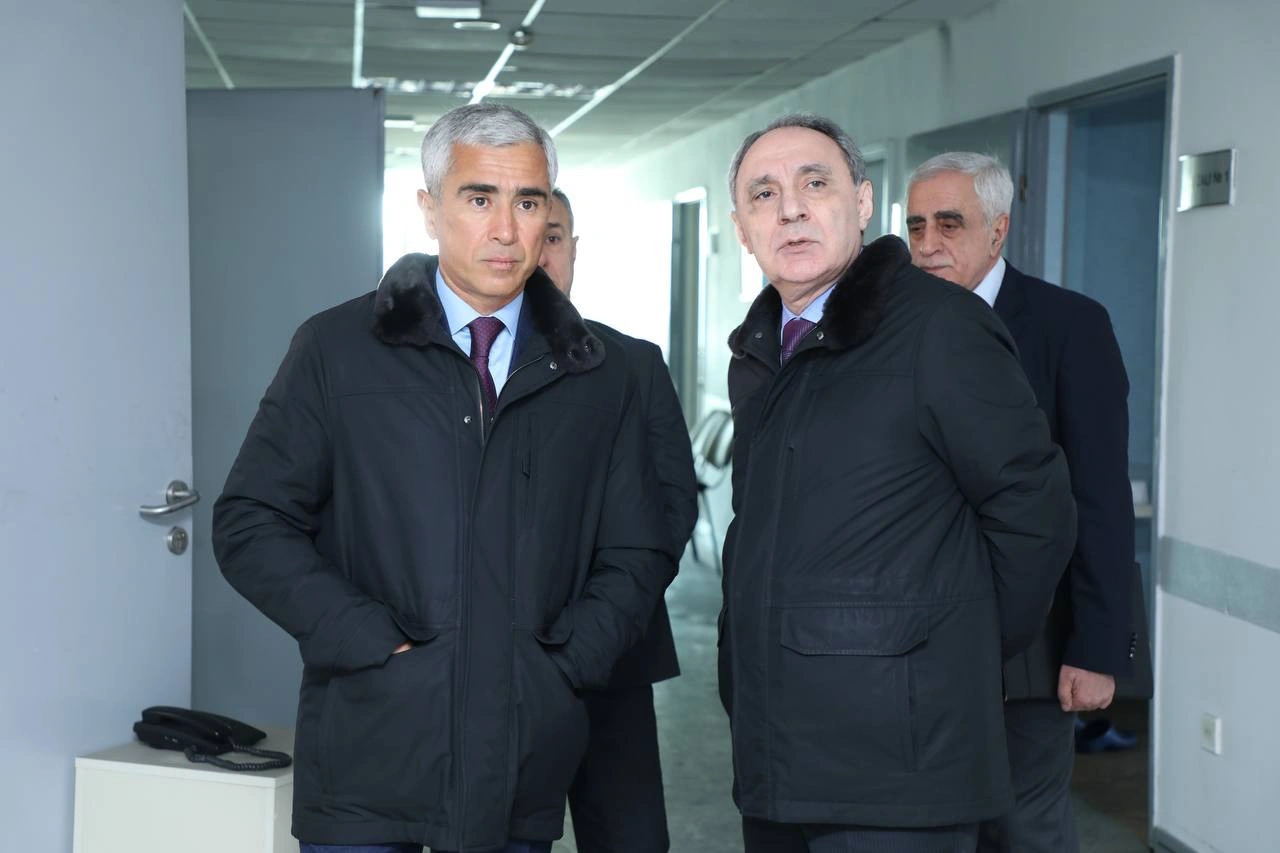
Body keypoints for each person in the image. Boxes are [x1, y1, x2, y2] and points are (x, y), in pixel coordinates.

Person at [212, 103, 675, 853]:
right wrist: (363, 636)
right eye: (479, 198)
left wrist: (568, 661)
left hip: (522, 755)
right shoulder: (336, 348)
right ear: (430, 209)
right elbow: (250, 521)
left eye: (528, 202)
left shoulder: (599, 372)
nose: (506, 229)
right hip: (367, 748)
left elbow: (639, 547)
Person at [719, 112, 1078, 853]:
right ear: (742, 229)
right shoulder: (762, 350)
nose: (790, 209)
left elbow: (1032, 511)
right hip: (778, 751)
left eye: (814, 184)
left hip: (902, 766)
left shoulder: (940, 328)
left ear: (860, 202)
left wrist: (947, 652)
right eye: (764, 194)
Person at [907, 152, 1138, 853]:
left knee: (1023, 830)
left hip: (1031, 646)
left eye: (950, 224)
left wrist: (1097, 648)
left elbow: (1098, 495)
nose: (928, 244)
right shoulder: (892, 323)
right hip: (913, 640)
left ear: (998, 228)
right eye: (916, 226)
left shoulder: (1069, 325)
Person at [537, 188, 698, 853]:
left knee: (630, 839)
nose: (539, 254)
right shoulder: (463, 369)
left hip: (614, 659)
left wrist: (595, 630)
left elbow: (671, 508)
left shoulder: (633, 363)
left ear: (575, 250)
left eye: (553, 236)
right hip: (496, 672)